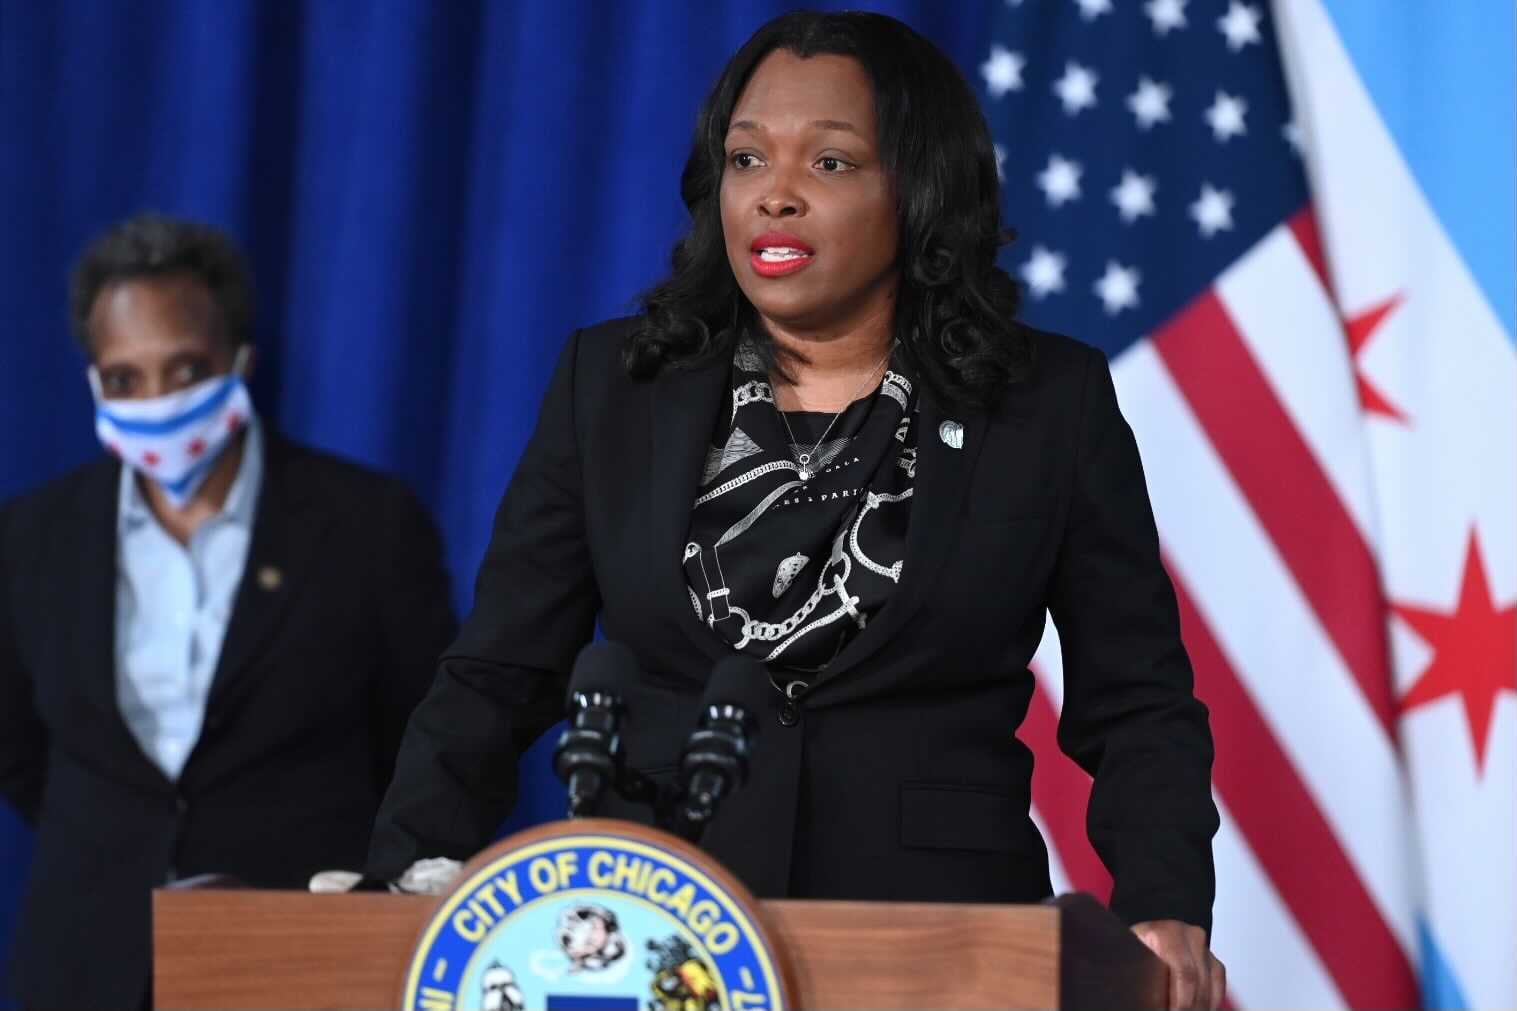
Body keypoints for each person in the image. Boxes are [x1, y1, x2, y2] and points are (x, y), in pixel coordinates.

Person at [368, 12, 1224, 1009]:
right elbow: (497, 673)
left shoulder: (1046, 406)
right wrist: (403, 874)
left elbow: (1136, 700)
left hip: (941, 948)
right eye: (744, 158)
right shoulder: (612, 386)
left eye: (828, 162)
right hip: (655, 938)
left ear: (918, 188)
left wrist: (1163, 903)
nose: (772, 194)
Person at [0, 213, 456, 1009]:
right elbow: (19, 748)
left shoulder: (367, 525)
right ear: (93, 383)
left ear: (238, 360)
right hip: (83, 958)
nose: (157, 401)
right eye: (124, 378)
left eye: (184, 370)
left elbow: (425, 743)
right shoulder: (32, 535)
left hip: (295, 954)